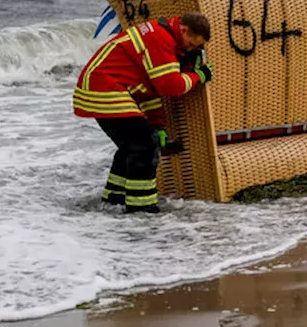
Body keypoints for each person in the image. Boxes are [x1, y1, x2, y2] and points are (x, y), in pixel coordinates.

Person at [73, 13, 213, 213]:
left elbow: (150, 91)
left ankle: (114, 199)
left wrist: (158, 126)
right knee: (144, 146)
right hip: (104, 88)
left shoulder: (163, 35)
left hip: (102, 86)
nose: (190, 49)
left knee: (131, 145)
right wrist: (199, 76)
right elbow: (170, 85)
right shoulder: (161, 39)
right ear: (183, 30)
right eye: (191, 44)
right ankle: (142, 209)